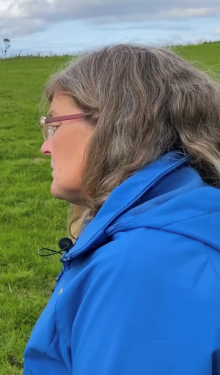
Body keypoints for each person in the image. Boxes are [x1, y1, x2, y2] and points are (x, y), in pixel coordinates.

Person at [24, 43, 220, 374]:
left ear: (117, 124)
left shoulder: (144, 266)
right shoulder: (186, 220)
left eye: (55, 125)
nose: (45, 146)